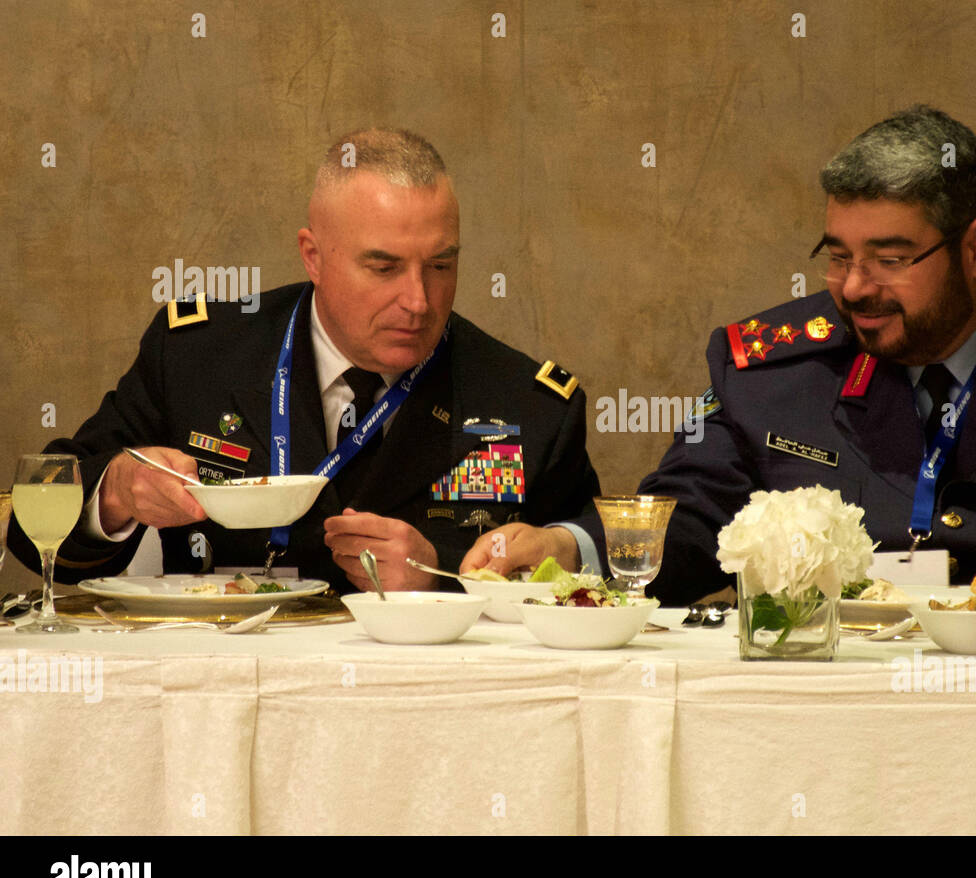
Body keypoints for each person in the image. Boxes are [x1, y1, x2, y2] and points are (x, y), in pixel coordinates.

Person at [464, 106, 976, 606]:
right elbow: (695, 515)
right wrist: (575, 547)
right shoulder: (771, 370)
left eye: (892, 257)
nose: (854, 287)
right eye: (837, 254)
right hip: (823, 714)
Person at [7, 129, 600, 592]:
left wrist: (445, 578)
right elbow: (31, 512)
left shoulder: (527, 402)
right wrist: (116, 491)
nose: (419, 301)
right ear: (313, 256)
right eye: (384, 267)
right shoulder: (197, 354)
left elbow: (590, 572)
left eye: (441, 266)